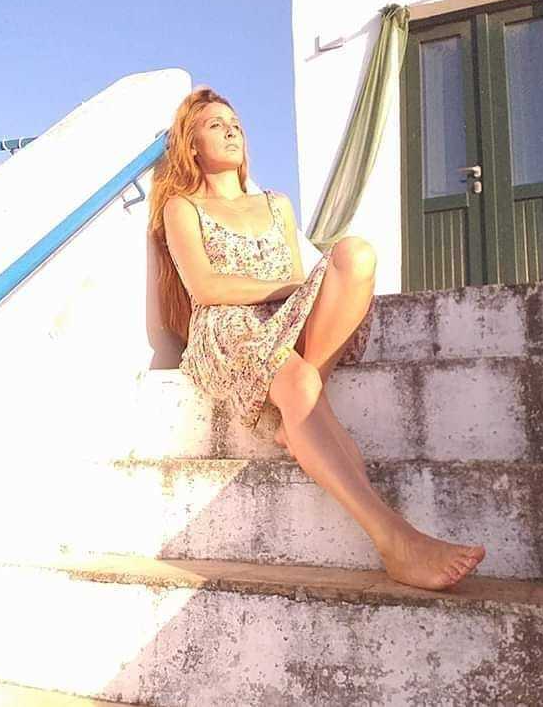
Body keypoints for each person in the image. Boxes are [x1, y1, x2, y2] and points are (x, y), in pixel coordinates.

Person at [148, 86, 485, 591]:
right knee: (297, 379)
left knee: (355, 254)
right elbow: (206, 288)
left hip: (281, 318)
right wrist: (291, 288)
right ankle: (395, 539)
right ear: (191, 145)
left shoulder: (275, 204)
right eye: (216, 125)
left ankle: (300, 412)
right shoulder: (184, 207)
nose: (232, 131)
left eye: (236, 123)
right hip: (227, 327)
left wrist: (296, 291)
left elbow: (294, 274)